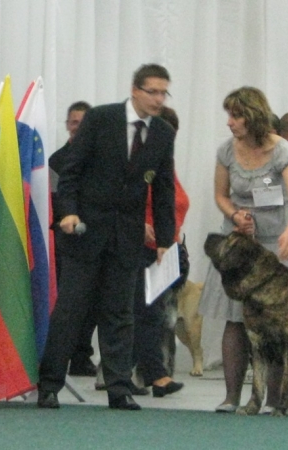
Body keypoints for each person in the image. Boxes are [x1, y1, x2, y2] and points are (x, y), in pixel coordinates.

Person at [37, 63, 176, 410]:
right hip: (85, 231)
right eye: (153, 91)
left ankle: (118, 387)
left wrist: (164, 239)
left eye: (164, 92)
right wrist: (67, 211)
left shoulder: (161, 133)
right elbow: (71, 171)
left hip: (126, 236)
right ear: (135, 90)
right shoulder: (101, 119)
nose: (159, 99)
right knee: (71, 311)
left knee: (119, 314)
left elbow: (162, 189)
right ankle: (50, 384)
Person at [199, 86, 288, 413]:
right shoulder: (226, 151)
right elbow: (221, 195)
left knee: (275, 324)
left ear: (253, 116)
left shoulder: (282, 150)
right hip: (238, 246)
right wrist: (234, 215)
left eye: (236, 115)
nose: (229, 122)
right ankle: (232, 397)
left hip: (276, 245)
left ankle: (274, 399)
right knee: (235, 321)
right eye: (228, 115)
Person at [132, 106, 189, 397]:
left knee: (152, 315)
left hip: (165, 250)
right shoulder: (141, 163)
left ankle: (142, 373)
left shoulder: (167, 165)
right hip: (142, 247)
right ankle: (156, 375)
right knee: (147, 314)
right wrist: (138, 223)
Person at [48, 100, 98, 377]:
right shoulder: (56, 161)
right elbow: (56, 200)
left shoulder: (102, 158)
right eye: (74, 122)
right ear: (68, 125)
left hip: (95, 237)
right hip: (65, 238)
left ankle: (82, 355)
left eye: (83, 122)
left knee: (92, 305)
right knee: (67, 304)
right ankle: (58, 361)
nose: (78, 127)